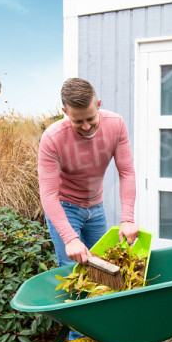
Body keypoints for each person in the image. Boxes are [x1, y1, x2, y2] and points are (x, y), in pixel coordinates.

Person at [38, 77, 139, 267]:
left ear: (98, 105)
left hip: (96, 207)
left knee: (103, 267)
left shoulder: (116, 125)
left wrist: (127, 218)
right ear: (65, 112)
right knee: (73, 270)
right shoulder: (52, 138)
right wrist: (70, 238)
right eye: (78, 121)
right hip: (65, 208)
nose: (85, 126)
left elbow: (126, 172)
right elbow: (48, 194)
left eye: (91, 118)